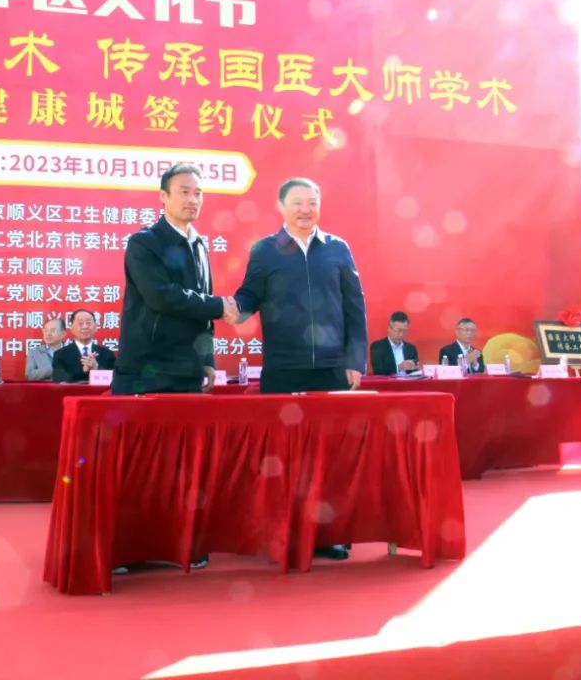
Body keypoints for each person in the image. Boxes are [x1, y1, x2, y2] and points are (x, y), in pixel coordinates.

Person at [232, 177, 368, 562]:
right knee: (281, 455)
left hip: (331, 370)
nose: (305, 210)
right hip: (283, 369)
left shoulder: (338, 249)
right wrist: (227, 309)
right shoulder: (265, 250)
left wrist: (354, 360)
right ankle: (279, 532)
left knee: (330, 455)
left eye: (312, 202)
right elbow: (249, 296)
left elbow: (354, 306)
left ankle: (329, 534)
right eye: (297, 203)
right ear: (281, 207)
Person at [113, 162, 237, 395]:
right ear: (164, 196)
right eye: (184, 192)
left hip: (188, 372)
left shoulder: (199, 245)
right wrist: (219, 306)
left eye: (198, 193)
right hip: (147, 371)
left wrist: (207, 359)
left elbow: (203, 305)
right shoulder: (144, 242)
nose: (193, 200)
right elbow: (162, 296)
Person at [52, 309, 116, 383]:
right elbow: (59, 379)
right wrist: (83, 370)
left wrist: (96, 368)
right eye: (80, 323)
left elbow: (115, 378)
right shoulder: (60, 354)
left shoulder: (107, 354)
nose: (85, 326)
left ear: (95, 327)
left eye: (88, 323)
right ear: (71, 328)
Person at [369, 311, 419, 375]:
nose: (401, 334)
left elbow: (416, 371)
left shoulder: (411, 348)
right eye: (398, 331)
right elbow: (378, 370)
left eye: (404, 331)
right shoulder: (377, 347)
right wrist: (398, 367)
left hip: (409, 381)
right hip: (388, 381)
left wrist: (414, 367)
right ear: (389, 328)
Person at [25, 316, 67, 381]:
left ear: (63, 334)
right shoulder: (34, 352)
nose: (48, 334)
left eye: (53, 330)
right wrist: (54, 368)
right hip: (44, 387)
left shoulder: (72, 352)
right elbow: (29, 376)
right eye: (45, 330)